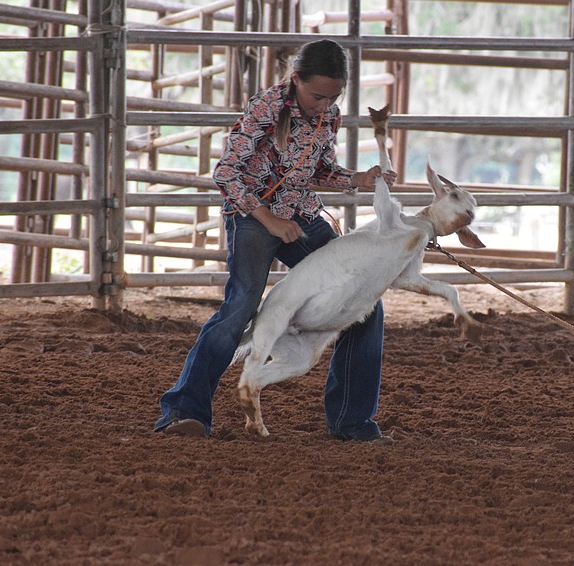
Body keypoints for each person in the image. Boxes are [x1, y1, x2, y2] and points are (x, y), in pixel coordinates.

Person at [154, 39, 396, 443]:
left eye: (333, 97)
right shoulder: (265, 108)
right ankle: (183, 410)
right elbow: (227, 173)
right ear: (295, 79)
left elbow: (316, 170)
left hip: (301, 214)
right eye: (318, 96)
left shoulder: (328, 115)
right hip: (253, 215)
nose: (325, 105)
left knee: (363, 302)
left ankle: (353, 421)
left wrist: (357, 179)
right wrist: (269, 219)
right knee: (241, 308)